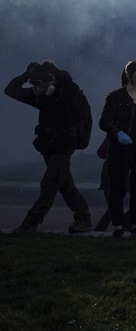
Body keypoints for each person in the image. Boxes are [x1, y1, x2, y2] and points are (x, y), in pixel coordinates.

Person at [5, 61, 92, 233]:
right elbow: (10, 90)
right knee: (65, 185)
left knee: (49, 184)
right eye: (34, 84)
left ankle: (30, 223)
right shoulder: (39, 95)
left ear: (50, 81)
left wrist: (52, 70)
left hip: (64, 146)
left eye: (40, 83)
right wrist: (26, 75)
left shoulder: (67, 92)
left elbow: (67, 82)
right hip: (48, 145)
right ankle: (83, 217)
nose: (36, 88)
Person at [98, 60, 136, 239]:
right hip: (120, 148)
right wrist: (118, 133)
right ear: (128, 74)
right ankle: (118, 226)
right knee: (117, 187)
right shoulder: (115, 97)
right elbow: (105, 121)